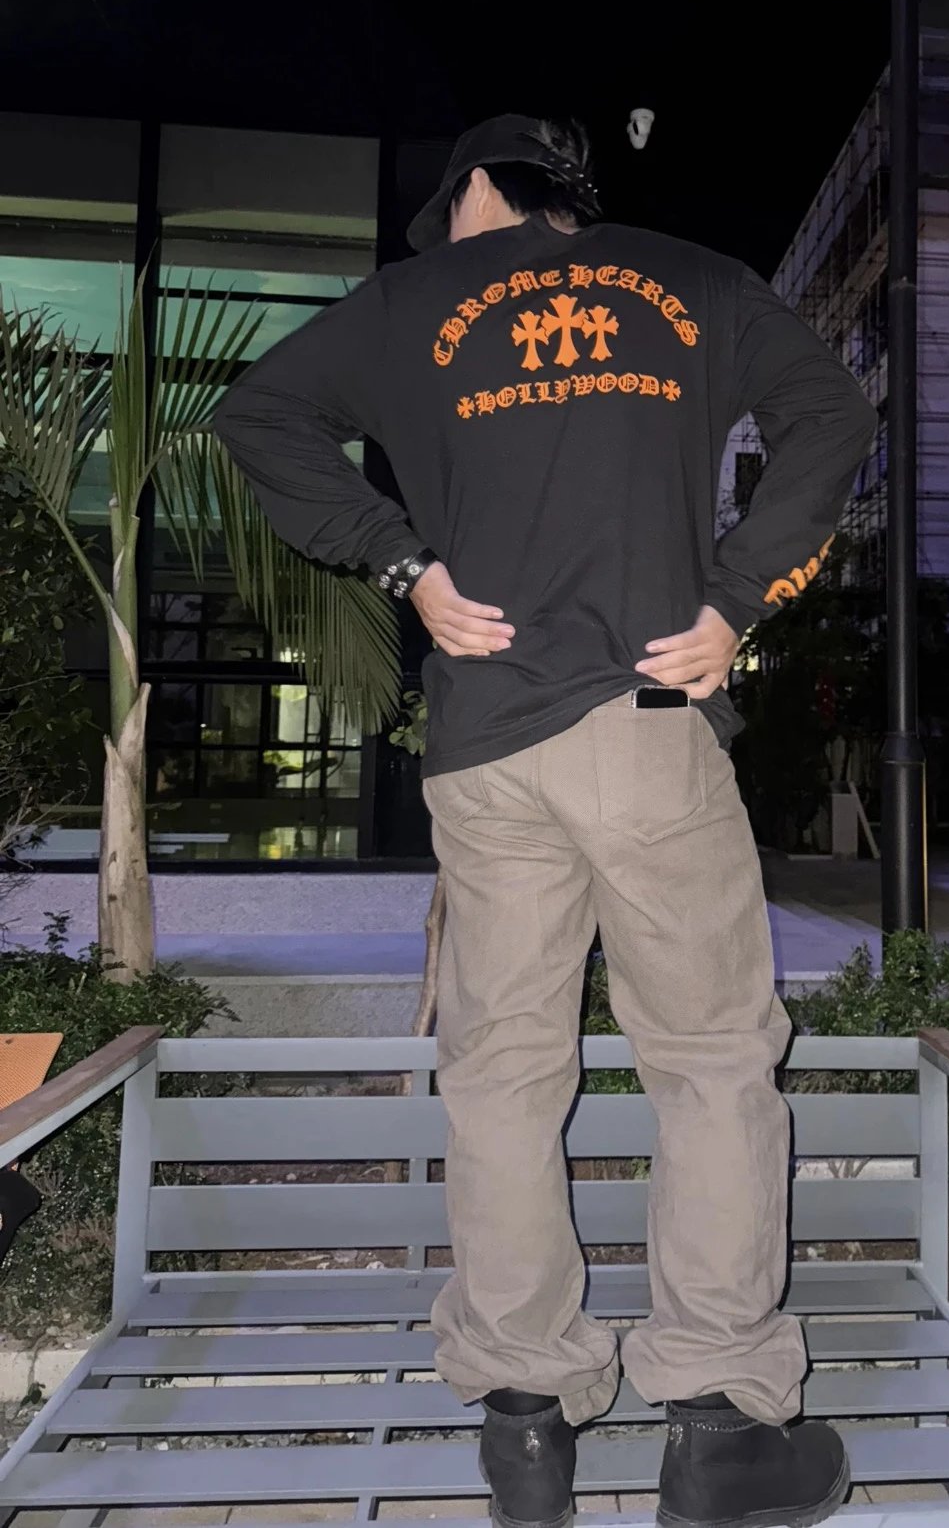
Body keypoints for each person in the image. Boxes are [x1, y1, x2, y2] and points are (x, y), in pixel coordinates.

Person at [214, 115, 876, 1528]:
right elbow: (834, 414)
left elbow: (258, 415)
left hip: (484, 746)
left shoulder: (409, 304)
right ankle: (717, 1425)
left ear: (477, 191)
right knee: (710, 1062)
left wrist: (403, 562)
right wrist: (737, 599)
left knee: (503, 1070)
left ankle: (526, 1424)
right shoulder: (689, 281)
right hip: (646, 725)